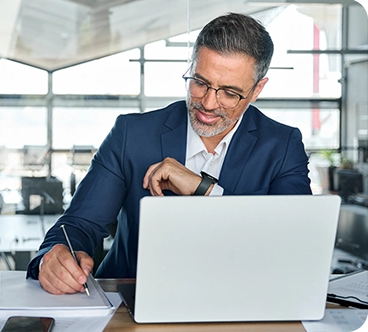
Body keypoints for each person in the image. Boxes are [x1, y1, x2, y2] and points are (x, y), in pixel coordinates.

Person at [27, 12, 312, 295]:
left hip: (239, 302)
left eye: (229, 92)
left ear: (257, 89)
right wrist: (53, 257)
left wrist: (204, 190)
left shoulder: (282, 146)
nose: (209, 103)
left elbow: (294, 246)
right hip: (128, 303)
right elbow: (79, 224)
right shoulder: (132, 135)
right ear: (191, 66)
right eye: (200, 82)